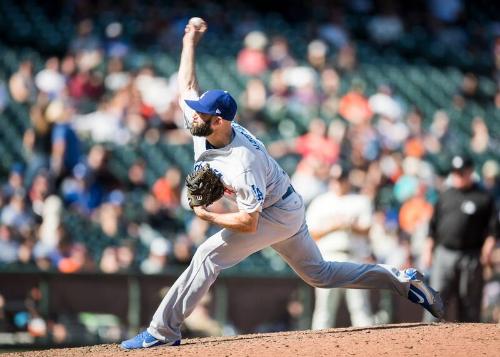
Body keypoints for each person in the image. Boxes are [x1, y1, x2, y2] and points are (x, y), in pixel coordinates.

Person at [120, 18, 444, 350]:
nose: (194, 114)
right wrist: (190, 42)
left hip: (274, 213)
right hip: (286, 203)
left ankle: (162, 333)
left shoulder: (242, 162)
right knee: (320, 274)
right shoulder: (206, 126)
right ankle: (401, 280)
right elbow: (186, 85)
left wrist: (208, 216)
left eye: (202, 113)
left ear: (218, 121)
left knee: (207, 255)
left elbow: (250, 222)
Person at [421, 154, 498, 322]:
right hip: (445, 253)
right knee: (435, 298)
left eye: (461, 172)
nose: (458, 176)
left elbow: (493, 229)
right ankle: (425, 338)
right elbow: (433, 226)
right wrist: (428, 250)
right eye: (455, 172)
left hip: (471, 255)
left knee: (469, 304)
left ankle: (470, 344)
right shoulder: (445, 195)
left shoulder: (483, 197)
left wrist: (488, 248)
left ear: (470, 172)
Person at [307, 169, 375, 328]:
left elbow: (367, 229)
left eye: (341, 179)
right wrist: (334, 226)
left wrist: (350, 225)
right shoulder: (320, 202)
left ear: (347, 180)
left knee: (359, 306)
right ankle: (317, 348)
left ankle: (369, 346)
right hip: (327, 257)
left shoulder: (360, 200)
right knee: (324, 308)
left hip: (354, 257)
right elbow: (311, 233)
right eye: (334, 179)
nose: (337, 182)